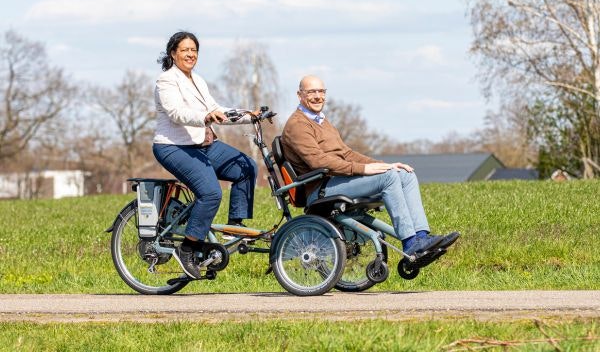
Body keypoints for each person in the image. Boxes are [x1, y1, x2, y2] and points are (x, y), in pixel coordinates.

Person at [281, 75, 459, 260]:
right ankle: (410, 243)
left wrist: (384, 165)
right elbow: (318, 162)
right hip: (320, 188)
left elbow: (347, 154)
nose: (318, 96)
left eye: (321, 91)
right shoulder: (298, 125)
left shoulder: (322, 122)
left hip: (336, 180)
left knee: (405, 174)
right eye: (311, 92)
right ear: (300, 95)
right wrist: (362, 170)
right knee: (388, 177)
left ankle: (422, 238)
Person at [153, 31, 257, 279]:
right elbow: (176, 113)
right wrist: (203, 118)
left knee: (246, 167)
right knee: (210, 193)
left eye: (194, 50)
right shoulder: (166, 81)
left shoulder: (197, 80)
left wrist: (248, 116)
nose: (190, 54)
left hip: (202, 145)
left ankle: (234, 228)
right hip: (174, 147)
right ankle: (188, 249)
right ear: (173, 54)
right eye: (185, 50)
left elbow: (216, 110)